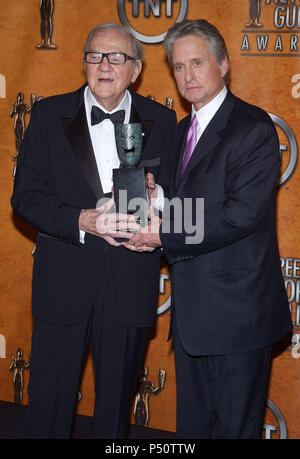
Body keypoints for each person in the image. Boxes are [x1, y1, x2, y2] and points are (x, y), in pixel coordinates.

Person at [124, 19, 292, 438]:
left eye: (197, 63)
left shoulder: (252, 128)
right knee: (194, 431)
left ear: (223, 64)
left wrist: (162, 232)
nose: (188, 76)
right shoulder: (183, 130)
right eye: (179, 67)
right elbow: (190, 202)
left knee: (234, 429)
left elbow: (239, 214)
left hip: (237, 316)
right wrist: (157, 198)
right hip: (193, 317)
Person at [11, 22, 176, 439]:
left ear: (136, 69)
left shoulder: (163, 120)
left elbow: (180, 203)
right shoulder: (49, 113)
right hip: (63, 282)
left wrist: (157, 201)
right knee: (48, 402)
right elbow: (25, 197)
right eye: (94, 55)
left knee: (114, 413)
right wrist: (80, 221)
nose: (104, 65)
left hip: (130, 284)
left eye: (117, 57)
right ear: (83, 61)